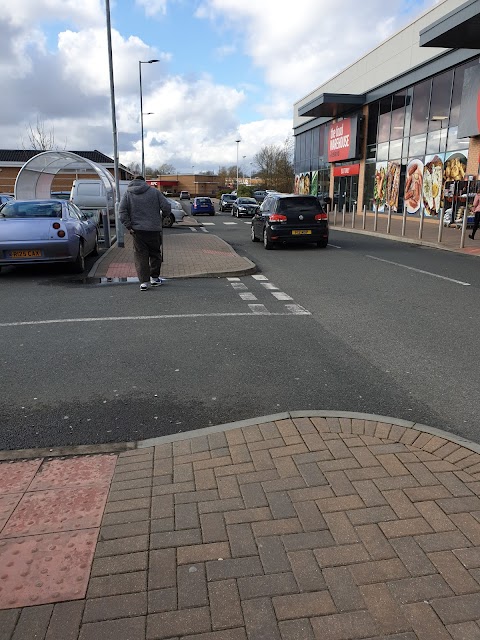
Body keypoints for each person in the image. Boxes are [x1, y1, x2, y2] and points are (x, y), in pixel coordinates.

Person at [119, 175, 172, 291]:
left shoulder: (128, 194)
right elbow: (166, 206)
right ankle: (155, 278)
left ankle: (144, 282)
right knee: (155, 253)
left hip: (137, 231)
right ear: (144, 182)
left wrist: (129, 226)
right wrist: (164, 216)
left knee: (140, 256)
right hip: (154, 229)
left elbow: (122, 211)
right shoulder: (154, 192)